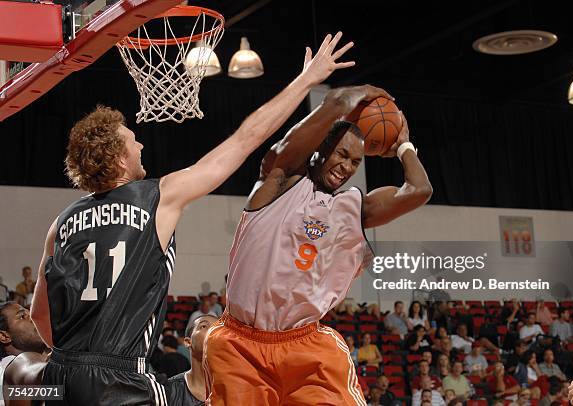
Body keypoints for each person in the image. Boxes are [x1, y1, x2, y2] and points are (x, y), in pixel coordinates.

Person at [29, 32, 351, 406]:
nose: (141, 144)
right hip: (118, 380)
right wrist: (306, 80)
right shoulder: (157, 197)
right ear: (119, 159)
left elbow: (42, 320)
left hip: (58, 378)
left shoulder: (61, 224)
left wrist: (79, 359)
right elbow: (244, 140)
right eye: (133, 140)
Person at [203, 33, 432, 404]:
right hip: (239, 342)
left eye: (355, 162)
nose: (346, 167)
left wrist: (404, 143)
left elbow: (419, 191)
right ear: (320, 150)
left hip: (305, 344)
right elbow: (337, 102)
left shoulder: (352, 210)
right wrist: (370, 92)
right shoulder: (277, 181)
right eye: (341, 155)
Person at [0, 302, 48, 406]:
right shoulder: (13, 364)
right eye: (22, 316)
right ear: (4, 336)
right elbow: (33, 371)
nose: (33, 317)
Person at [165, 315, 217, 405]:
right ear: (188, 342)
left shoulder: (235, 387)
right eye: (204, 326)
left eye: (217, 328)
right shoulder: (169, 390)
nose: (213, 331)